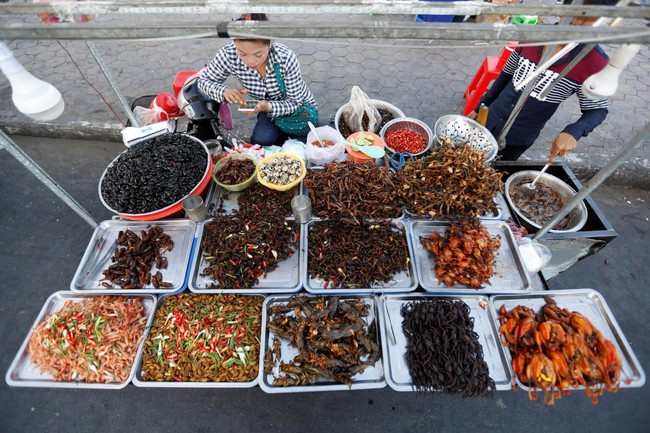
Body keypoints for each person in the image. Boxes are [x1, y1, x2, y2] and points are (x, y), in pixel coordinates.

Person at [468, 0, 616, 161]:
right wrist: (480, 106)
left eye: (591, 20)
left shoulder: (595, 62)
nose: (579, 24)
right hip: (489, 119)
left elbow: (597, 109)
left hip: (518, 138)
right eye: (576, 16)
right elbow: (505, 76)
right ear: (562, 10)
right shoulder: (533, 34)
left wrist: (574, 131)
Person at [197, 38, 317, 147]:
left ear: (269, 44)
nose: (251, 61)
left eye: (258, 54)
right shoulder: (229, 54)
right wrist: (224, 91)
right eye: (242, 54)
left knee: (301, 148)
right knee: (261, 141)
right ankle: (279, 136)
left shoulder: (285, 58)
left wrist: (267, 106)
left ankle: (284, 136)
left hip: (298, 110)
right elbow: (203, 81)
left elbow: (295, 102)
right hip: (265, 109)